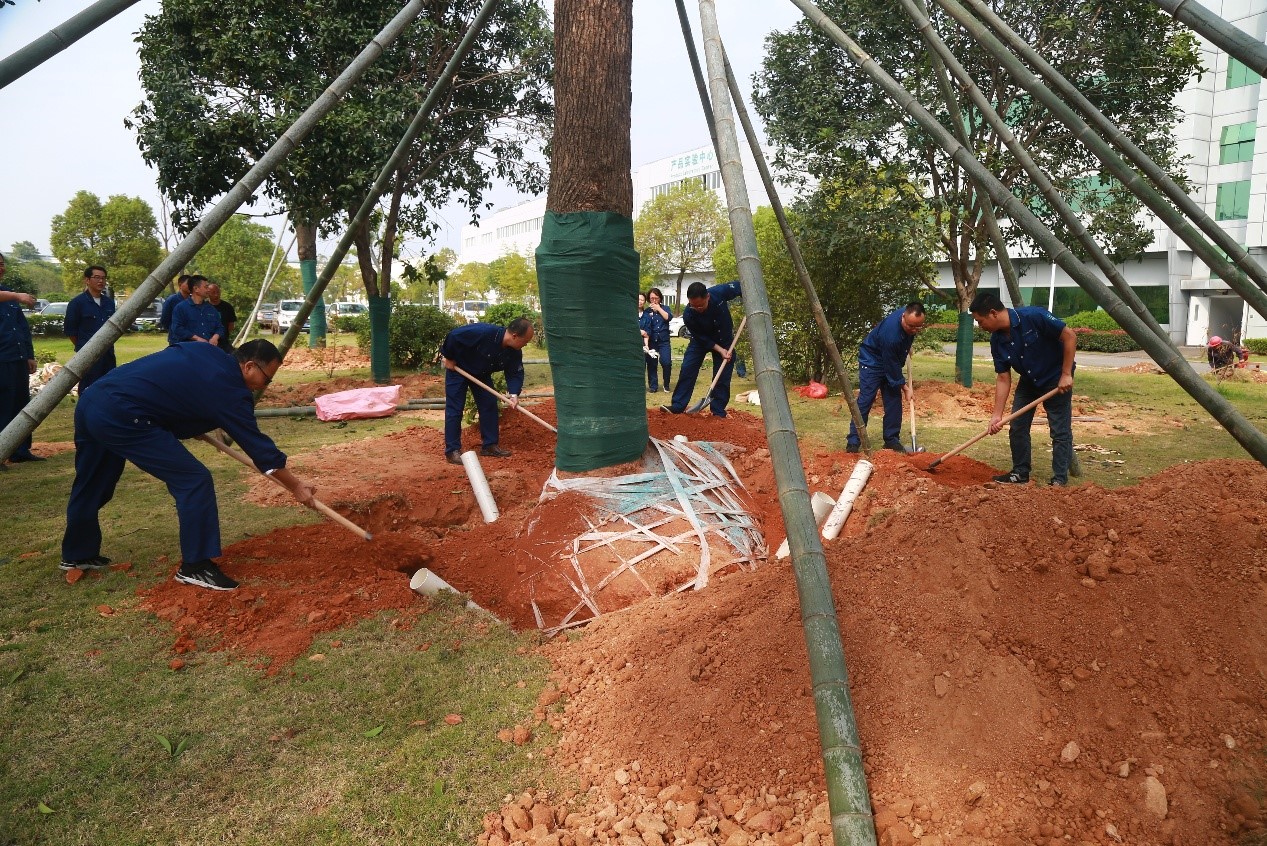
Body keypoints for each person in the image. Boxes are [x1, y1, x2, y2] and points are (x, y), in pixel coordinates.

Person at [60, 339, 316, 590]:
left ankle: (78, 553)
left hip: (93, 400)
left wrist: (187, 416)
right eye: (267, 379)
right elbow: (261, 451)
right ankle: (196, 567)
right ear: (249, 366)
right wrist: (295, 486)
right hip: (124, 414)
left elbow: (173, 380)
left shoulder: (205, 350)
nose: (265, 386)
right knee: (193, 480)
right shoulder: (230, 389)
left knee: (94, 480)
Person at [969, 291, 1077, 486]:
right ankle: (1020, 473)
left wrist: (1066, 374)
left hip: (1055, 378)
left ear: (993, 313)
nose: (979, 326)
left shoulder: (1034, 317)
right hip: (1029, 381)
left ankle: (1059, 480)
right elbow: (1003, 377)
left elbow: (1069, 336)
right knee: (1017, 425)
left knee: (1059, 431)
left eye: (980, 320)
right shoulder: (997, 341)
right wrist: (996, 414)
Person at [441, 317, 534, 465]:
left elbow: (515, 372)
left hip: (481, 373)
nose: (525, 344)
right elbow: (454, 336)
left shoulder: (514, 352)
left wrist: (514, 394)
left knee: (489, 404)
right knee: (455, 408)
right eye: (525, 341)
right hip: (458, 369)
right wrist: (449, 357)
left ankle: (489, 446)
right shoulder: (483, 332)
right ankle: (452, 450)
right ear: (515, 336)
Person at [846, 303, 927, 454]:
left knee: (893, 401)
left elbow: (904, 339)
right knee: (866, 399)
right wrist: (905, 388)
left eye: (918, 327)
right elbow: (892, 366)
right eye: (911, 327)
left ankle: (891, 440)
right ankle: (853, 441)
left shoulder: (910, 318)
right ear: (903, 316)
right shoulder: (891, 335)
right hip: (872, 361)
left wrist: (906, 345)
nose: (914, 330)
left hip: (889, 358)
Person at [661, 280, 742, 417]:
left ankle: (718, 411)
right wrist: (719, 350)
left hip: (724, 340)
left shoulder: (719, 293)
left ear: (708, 297)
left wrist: (749, 300)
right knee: (688, 368)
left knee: (722, 376)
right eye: (694, 306)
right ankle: (678, 405)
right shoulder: (688, 314)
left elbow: (741, 286)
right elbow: (701, 338)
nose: (698, 309)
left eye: (700, 305)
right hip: (700, 341)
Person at [0, 252, 42, 465]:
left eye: (1, 264)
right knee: (3, 405)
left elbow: (21, 328)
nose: (1, 268)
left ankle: (21, 450)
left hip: (16, 357)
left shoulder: (8, 297)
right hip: (1, 360)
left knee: (20, 405)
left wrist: (29, 355)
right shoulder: (9, 296)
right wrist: (17, 295)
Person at [63, 265, 117, 394]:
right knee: (89, 388)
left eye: (103, 278)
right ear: (87, 280)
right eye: (97, 278)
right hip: (88, 355)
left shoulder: (109, 303)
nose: (101, 281)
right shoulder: (77, 303)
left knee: (108, 386)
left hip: (108, 354)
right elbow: (71, 331)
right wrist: (84, 347)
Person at [169, 275, 225, 347]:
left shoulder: (211, 309)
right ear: (196, 289)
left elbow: (220, 327)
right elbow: (177, 328)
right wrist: (197, 338)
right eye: (206, 287)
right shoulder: (180, 308)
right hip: (189, 351)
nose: (208, 290)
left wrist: (215, 337)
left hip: (209, 350)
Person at [640, 287, 674, 393]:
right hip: (652, 341)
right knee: (652, 364)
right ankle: (653, 386)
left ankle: (666, 384)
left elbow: (668, 317)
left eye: (656, 298)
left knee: (666, 362)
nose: (654, 300)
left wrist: (658, 308)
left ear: (660, 298)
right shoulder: (646, 312)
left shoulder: (665, 308)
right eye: (651, 298)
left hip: (664, 341)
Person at [207, 283, 237, 351]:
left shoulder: (227, 307)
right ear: (208, 293)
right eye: (213, 293)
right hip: (208, 342)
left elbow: (231, 326)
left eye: (218, 292)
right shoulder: (204, 307)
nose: (216, 295)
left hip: (224, 342)